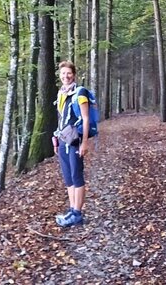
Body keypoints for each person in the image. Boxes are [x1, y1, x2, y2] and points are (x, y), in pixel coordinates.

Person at [52, 60, 92, 227]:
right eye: (63, 73)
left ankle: (77, 213)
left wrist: (84, 142)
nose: (66, 76)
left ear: (74, 75)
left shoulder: (80, 92)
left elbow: (86, 118)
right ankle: (72, 209)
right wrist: (55, 138)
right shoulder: (61, 93)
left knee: (76, 175)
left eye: (68, 73)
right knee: (68, 177)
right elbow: (61, 118)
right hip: (63, 139)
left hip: (75, 140)